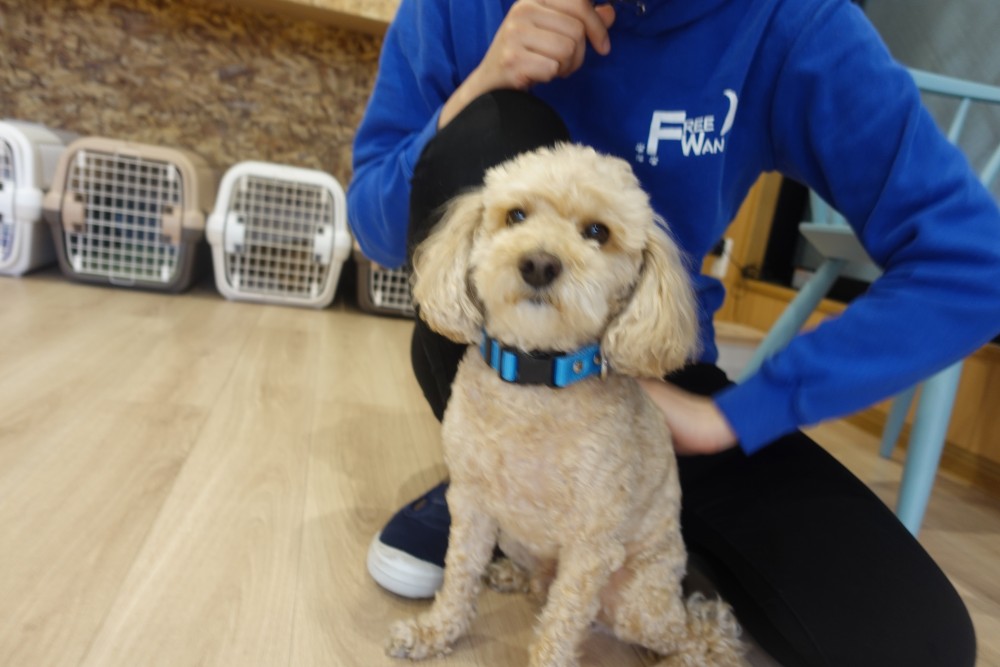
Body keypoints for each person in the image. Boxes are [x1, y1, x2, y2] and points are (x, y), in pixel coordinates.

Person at [347, 0, 1000, 664]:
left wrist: (738, 413)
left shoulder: (792, 23)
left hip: (650, 385)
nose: (545, 254)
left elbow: (976, 260)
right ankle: (497, 494)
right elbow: (375, 230)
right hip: (481, 354)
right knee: (493, 125)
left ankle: (587, 526)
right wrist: (479, 86)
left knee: (918, 643)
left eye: (594, 231)